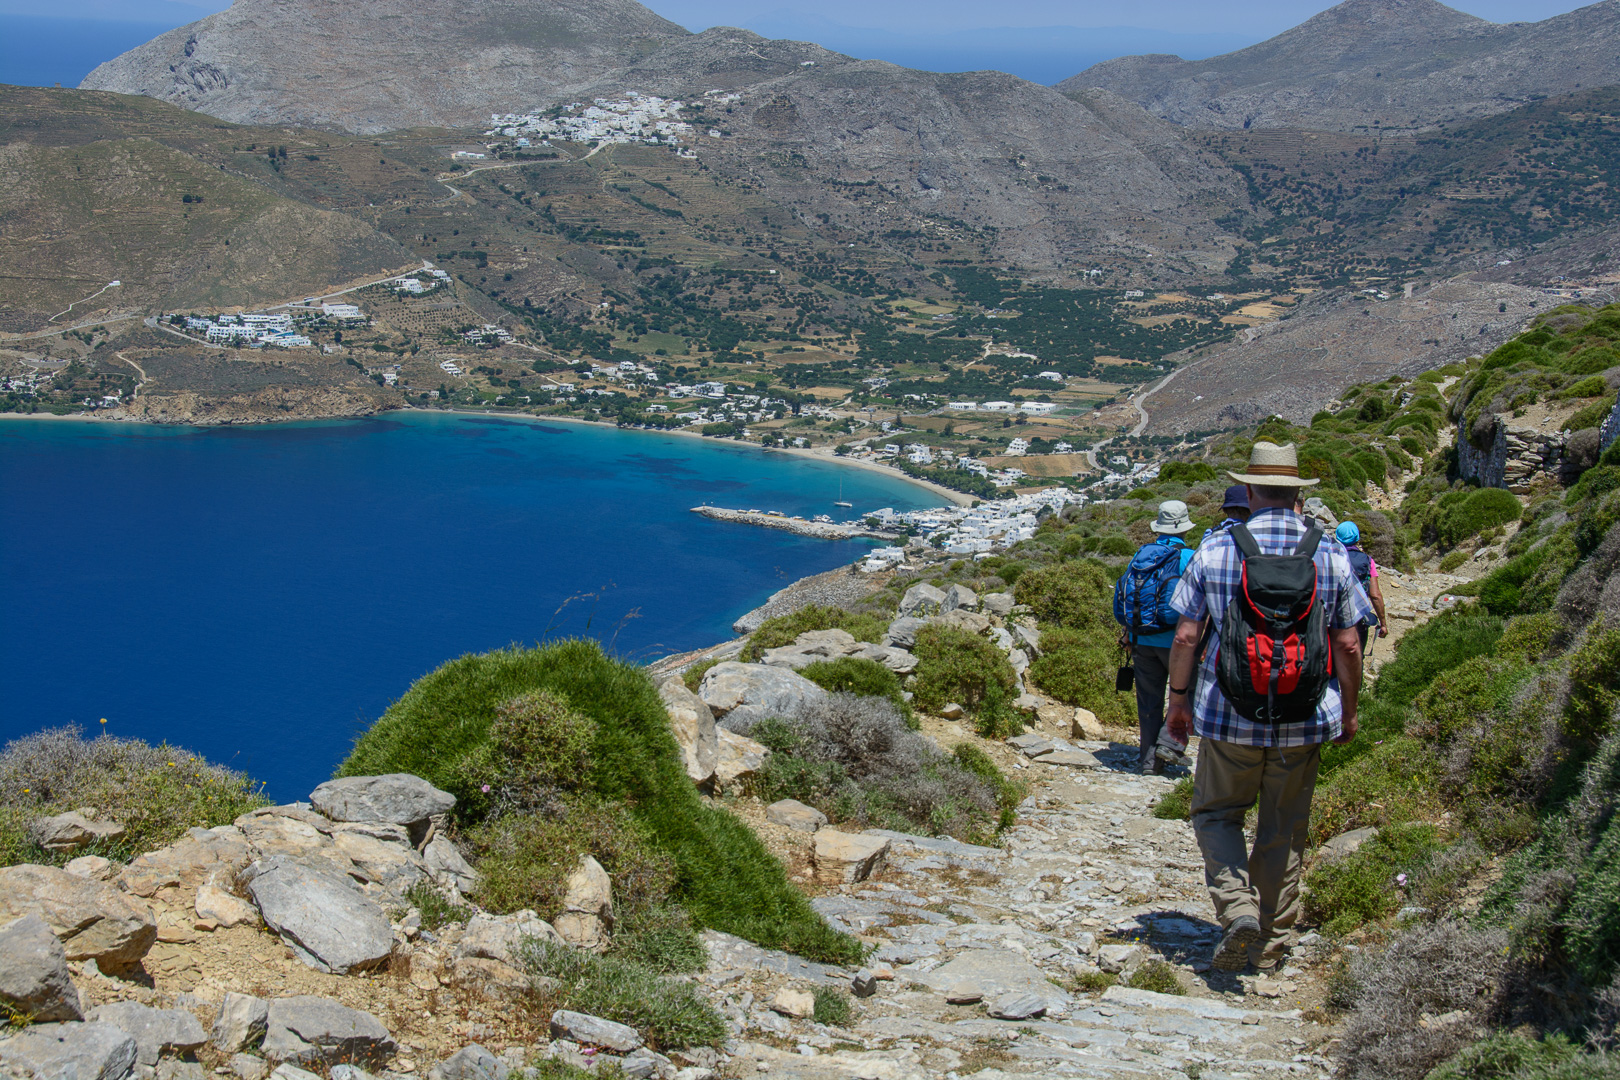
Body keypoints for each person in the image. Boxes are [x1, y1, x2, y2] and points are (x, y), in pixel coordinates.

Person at [1164, 442, 1375, 973]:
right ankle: (1269, 946)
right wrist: (1349, 711)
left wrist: (1178, 702)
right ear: (1297, 495)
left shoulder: (1216, 549)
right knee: (1283, 829)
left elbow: (1186, 635)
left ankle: (1236, 908)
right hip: (1304, 717)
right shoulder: (1329, 553)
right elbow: (1349, 643)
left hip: (1228, 714)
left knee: (1216, 814)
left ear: (1250, 491)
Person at [1114, 500, 1197, 775]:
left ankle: (1149, 763)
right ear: (1185, 528)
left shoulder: (1140, 556)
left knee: (1148, 702)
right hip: (1177, 643)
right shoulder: (1189, 557)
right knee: (1188, 693)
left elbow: (1132, 597)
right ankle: (1169, 743)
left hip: (1142, 640)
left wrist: (1128, 634)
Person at [1336, 521, 1386, 651]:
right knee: (1356, 655)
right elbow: (1375, 595)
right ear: (1357, 538)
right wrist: (1383, 623)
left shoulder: (1331, 556)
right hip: (1358, 616)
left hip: (1334, 616)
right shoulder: (1367, 561)